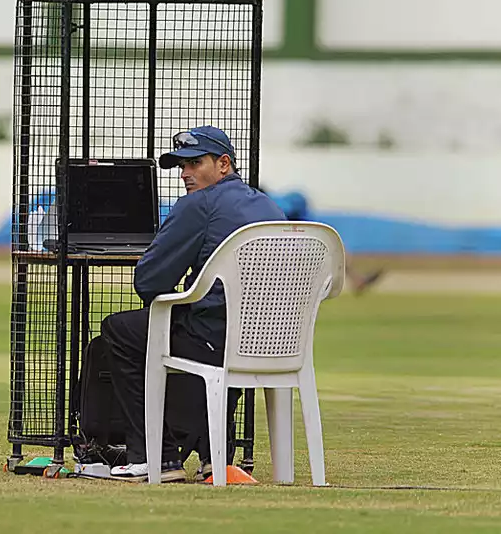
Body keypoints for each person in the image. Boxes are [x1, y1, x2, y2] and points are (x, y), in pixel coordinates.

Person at [102, 125, 286, 482]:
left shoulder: (198, 204)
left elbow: (149, 282)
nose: (185, 174)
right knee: (217, 324)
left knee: (120, 330)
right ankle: (214, 458)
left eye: (194, 163)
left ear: (223, 164)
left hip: (216, 342)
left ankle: (157, 457)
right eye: (180, 167)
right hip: (275, 343)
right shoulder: (270, 206)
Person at [260, 187, 384, 295]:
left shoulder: (278, 203)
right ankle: (357, 280)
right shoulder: (283, 202)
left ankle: (357, 280)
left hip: (300, 237)